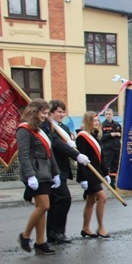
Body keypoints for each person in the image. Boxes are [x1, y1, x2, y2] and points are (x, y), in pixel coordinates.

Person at [16, 99, 61, 255]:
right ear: (35, 111)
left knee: (41, 208)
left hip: (46, 172)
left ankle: (40, 242)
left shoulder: (41, 130)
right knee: (44, 206)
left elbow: (50, 153)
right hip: (34, 173)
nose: (45, 116)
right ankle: (25, 235)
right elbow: (24, 155)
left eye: (47, 113)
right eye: (44, 112)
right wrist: (30, 176)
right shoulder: (24, 130)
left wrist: (56, 173)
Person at [44, 100, 91, 244]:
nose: (62, 115)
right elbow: (56, 145)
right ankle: (57, 232)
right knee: (64, 199)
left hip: (62, 168)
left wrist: (71, 142)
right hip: (52, 169)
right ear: (51, 112)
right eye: (59, 112)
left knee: (56, 202)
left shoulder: (63, 126)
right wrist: (76, 155)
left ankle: (53, 233)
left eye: (63, 112)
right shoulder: (47, 126)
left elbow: (66, 143)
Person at [76, 111, 111, 239]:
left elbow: (101, 157)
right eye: (94, 121)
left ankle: (85, 228)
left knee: (91, 200)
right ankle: (101, 227)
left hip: (97, 173)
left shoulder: (96, 135)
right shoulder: (82, 137)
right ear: (87, 122)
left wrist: (106, 173)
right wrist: (83, 178)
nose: (96, 123)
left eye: (97, 120)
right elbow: (81, 159)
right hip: (89, 174)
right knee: (103, 198)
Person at [101, 108, 122, 180]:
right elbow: (101, 137)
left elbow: (122, 134)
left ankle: (113, 181)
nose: (108, 116)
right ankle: (104, 179)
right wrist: (110, 135)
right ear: (104, 115)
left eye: (109, 114)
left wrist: (119, 134)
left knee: (115, 165)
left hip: (116, 148)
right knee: (106, 165)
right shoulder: (103, 125)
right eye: (106, 114)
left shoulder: (117, 124)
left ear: (112, 114)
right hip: (108, 149)